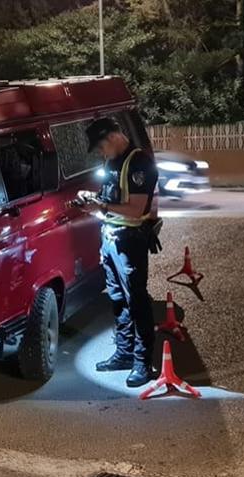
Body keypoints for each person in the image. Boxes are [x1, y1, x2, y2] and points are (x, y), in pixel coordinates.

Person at [73, 118, 159, 387]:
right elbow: (110, 198)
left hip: (129, 243)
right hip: (110, 240)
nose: (100, 154)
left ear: (111, 138)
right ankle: (123, 353)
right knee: (118, 299)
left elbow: (135, 209)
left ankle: (142, 362)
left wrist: (101, 206)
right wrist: (92, 200)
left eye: (100, 148)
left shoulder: (140, 163)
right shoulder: (112, 162)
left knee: (137, 301)